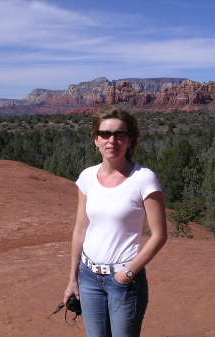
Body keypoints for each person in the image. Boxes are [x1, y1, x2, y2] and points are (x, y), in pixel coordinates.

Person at [63, 106, 168, 337]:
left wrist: (127, 273)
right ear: (95, 140)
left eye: (120, 135)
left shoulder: (144, 179)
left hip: (125, 281)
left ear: (130, 141)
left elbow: (159, 235)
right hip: (88, 277)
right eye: (105, 134)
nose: (113, 140)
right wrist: (73, 278)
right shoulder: (87, 177)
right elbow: (81, 229)